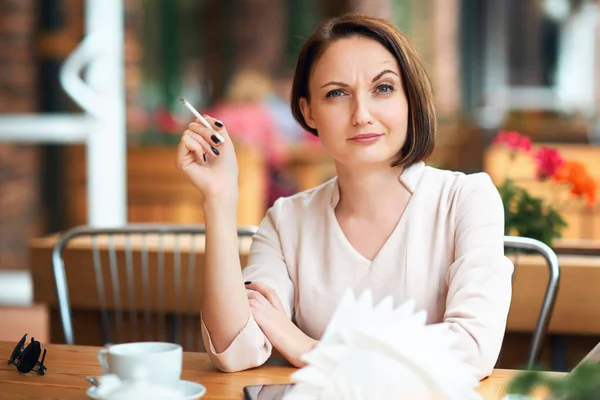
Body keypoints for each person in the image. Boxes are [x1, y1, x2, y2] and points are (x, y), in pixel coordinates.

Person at [176, 13, 513, 380]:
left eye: (383, 88)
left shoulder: (466, 200)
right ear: (308, 112)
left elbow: (471, 351)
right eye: (337, 94)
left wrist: (312, 350)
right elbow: (235, 349)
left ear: (409, 100)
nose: (362, 115)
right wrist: (221, 198)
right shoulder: (287, 221)